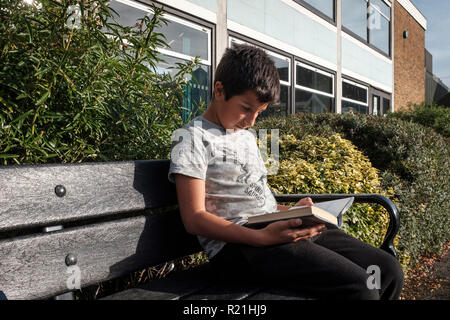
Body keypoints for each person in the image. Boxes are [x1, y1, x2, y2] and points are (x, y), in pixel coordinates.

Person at [168, 43, 403, 300]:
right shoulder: (191, 138)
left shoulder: (245, 137)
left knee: (387, 271)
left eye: (259, 112)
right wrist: (261, 239)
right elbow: (194, 218)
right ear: (219, 90)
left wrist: (292, 212)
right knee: (364, 286)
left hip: (269, 230)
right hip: (237, 249)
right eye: (246, 108)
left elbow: (256, 200)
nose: (251, 121)